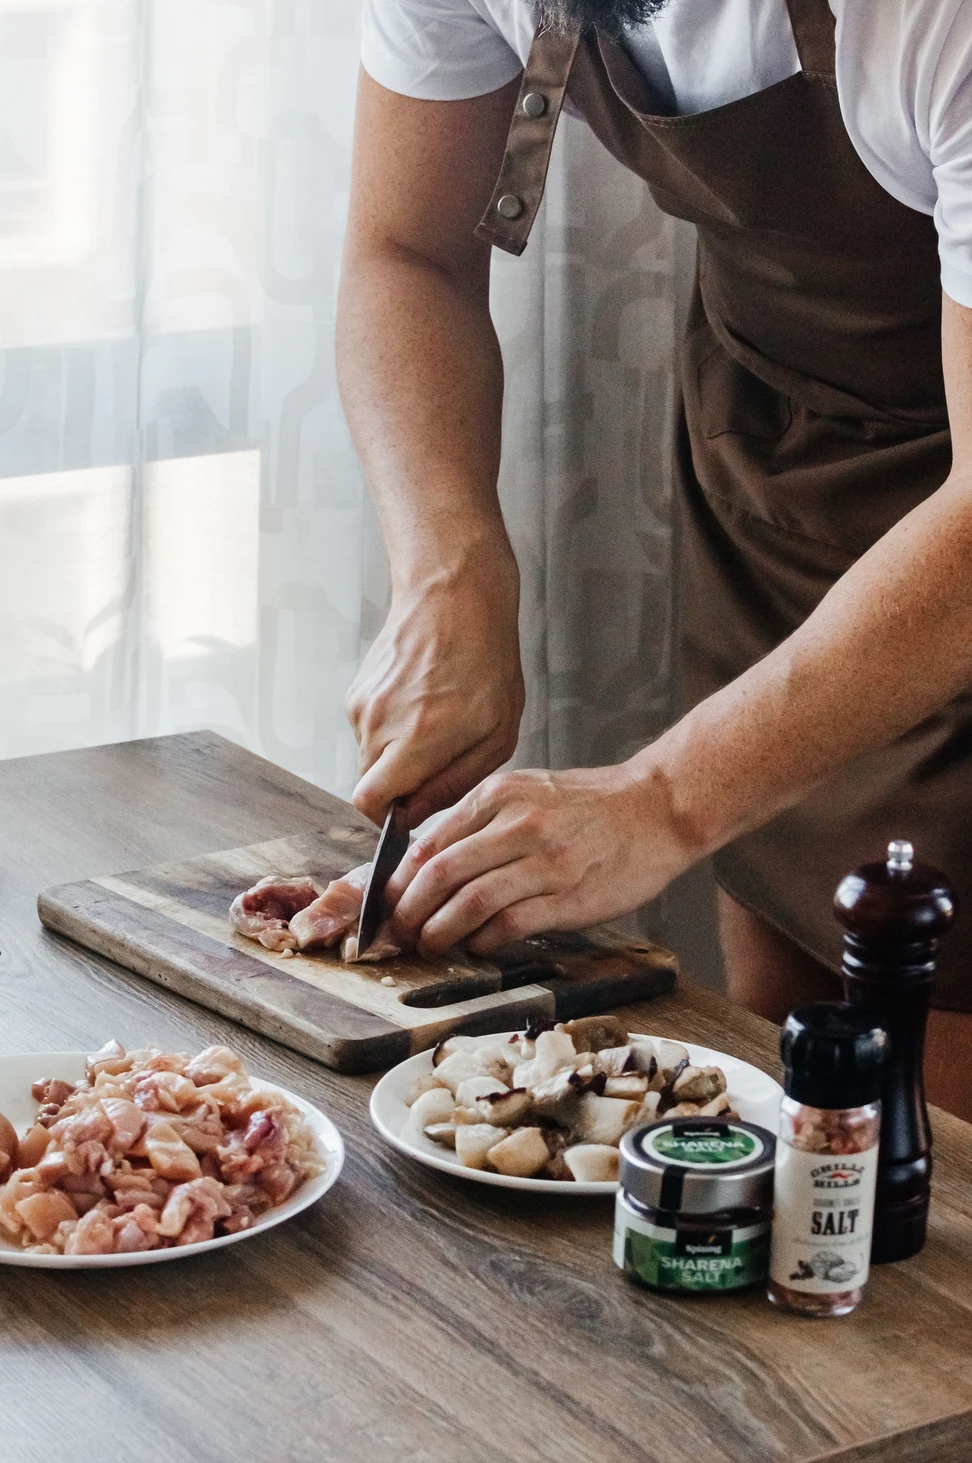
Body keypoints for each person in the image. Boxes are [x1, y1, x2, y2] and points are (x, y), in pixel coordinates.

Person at [336, 0, 972, 1117]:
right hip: (775, 458)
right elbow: (405, 252)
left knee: (930, 1127)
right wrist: (452, 568)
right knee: (783, 1074)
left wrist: (663, 800)